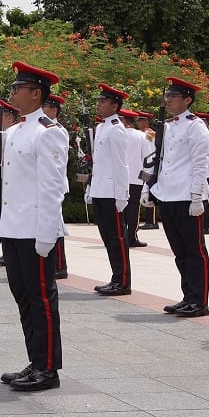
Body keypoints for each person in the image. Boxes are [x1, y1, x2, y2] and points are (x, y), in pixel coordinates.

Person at [0, 61, 66, 392]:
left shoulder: (49, 133)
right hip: (13, 227)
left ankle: (48, 368)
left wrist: (47, 234)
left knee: (41, 298)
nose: (12, 93)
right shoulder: (14, 132)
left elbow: (52, 188)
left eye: (17, 88)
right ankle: (34, 360)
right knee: (23, 296)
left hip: (35, 229)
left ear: (36, 93)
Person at [149, 77, 209, 317]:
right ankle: (188, 296)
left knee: (194, 250)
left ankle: (199, 301)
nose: (170, 100)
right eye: (169, 96)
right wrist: (151, 189)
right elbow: (160, 161)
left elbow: (200, 164)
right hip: (167, 195)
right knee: (180, 251)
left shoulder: (196, 126)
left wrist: (197, 197)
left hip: (187, 196)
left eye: (175, 96)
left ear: (187, 100)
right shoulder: (168, 125)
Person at [87, 84, 133, 296]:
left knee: (117, 238)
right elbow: (99, 163)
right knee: (107, 237)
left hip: (112, 193)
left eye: (103, 101)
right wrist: (91, 187)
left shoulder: (116, 129)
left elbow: (121, 164)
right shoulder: (102, 127)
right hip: (100, 190)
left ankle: (122, 281)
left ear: (115, 106)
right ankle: (115, 277)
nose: (99, 104)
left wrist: (122, 195)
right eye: (99, 100)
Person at [41, 93, 71, 278]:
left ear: (54, 110)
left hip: (56, 184)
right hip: (52, 183)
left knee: (56, 226)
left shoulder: (58, 130)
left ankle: (60, 266)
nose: (42, 110)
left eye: (46, 107)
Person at [0, 99, 20, 267]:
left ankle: (8, 254)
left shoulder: (12, 133)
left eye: (2, 115)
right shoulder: (3, 133)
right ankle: (6, 253)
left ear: (9, 117)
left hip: (7, 186)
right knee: (0, 219)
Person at [119, 110, 147, 248]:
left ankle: (122, 236)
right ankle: (132, 236)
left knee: (121, 207)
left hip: (119, 178)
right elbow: (147, 159)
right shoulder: (141, 136)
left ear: (125, 120)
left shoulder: (117, 135)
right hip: (136, 178)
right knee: (133, 208)